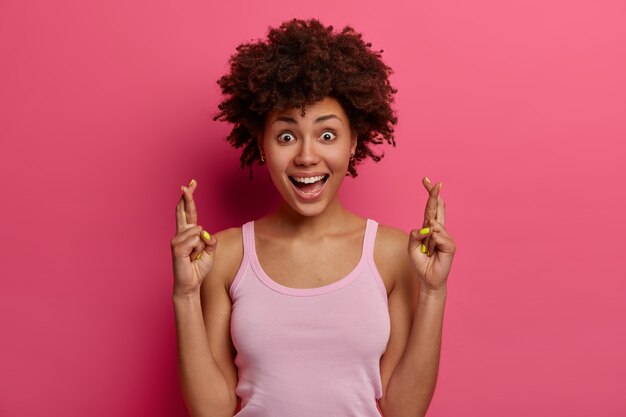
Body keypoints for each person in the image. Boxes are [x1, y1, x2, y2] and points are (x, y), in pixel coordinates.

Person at [171, 18, 456, 417]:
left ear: (354, 141)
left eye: (327, 135)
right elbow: (212, 411)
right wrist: (185, 295)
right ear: (262, 144)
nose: (306, 156)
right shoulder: (227, 253)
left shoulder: (392, 253)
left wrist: (433, 292)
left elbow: (402, 411)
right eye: (286, 136)